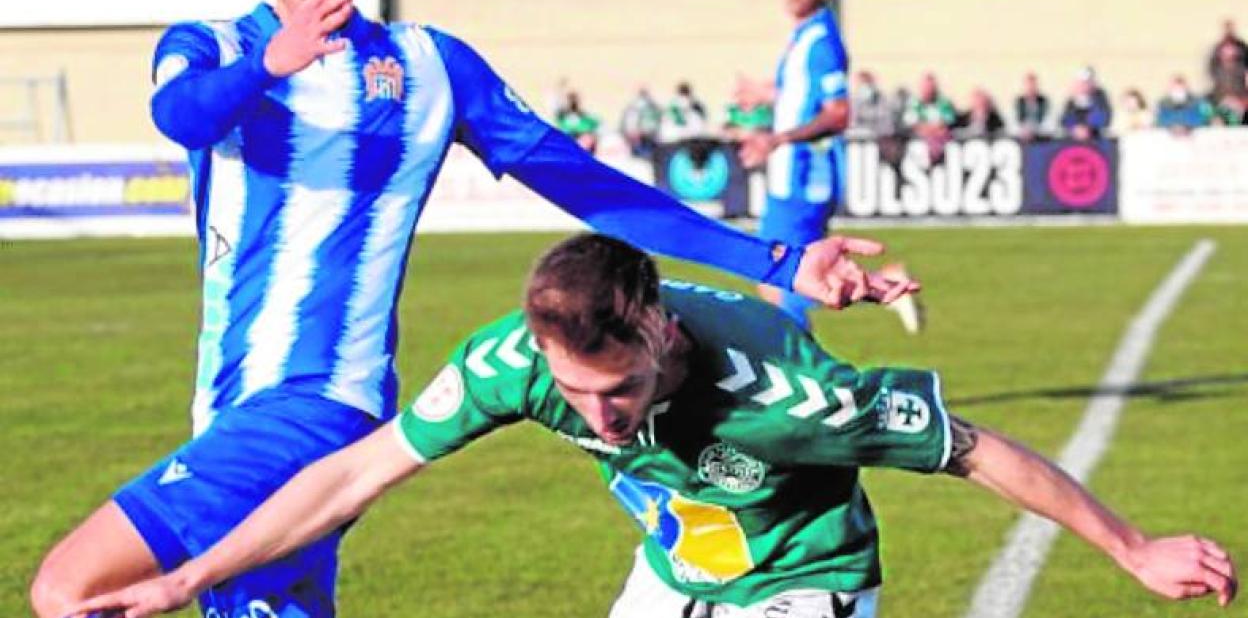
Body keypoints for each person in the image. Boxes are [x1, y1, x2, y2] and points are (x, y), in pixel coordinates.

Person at [27, 0, 917, 618]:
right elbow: (180, 116)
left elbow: (586, 186)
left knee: (67, 589)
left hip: (319, 405)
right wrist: (270, 62)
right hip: (230, 403)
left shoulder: (429, 66)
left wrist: (779, 260)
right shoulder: (213, 47)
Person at [71, 234, 1239, 618]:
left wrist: (1133, 547)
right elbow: (348, 479)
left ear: (663, 335)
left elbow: (977, 447)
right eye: (575, 394)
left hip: (800, 581)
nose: (599, 417)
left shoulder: (789, 395)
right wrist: (188, 577)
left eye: (618, 392)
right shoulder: (515, 362)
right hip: (674, 567)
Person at [734, 0, 923, 334]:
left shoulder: (823, 43)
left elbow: (838, 113)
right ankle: (885, 284)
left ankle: (805, 365)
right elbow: (802, 95)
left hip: (805, 177)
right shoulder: (803, 37)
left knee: (785, 280)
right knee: (773, 276)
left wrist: (778, 139)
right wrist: (765, 93)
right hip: (790, 177)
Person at [1059, 66, 1113, 141]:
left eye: (1086, 83)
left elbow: (1104, 118)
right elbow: (1064, 120)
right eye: (1079, 83)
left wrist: (1088, 128)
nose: (1082, 86)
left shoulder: (1100, 98)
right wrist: (1074, 128)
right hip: (1072, 139)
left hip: (1095, 139)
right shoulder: (1071, 101)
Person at [1013, 72, 1050, 141]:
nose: (1030, 88)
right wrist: (1023, 130)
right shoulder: (1018, 102)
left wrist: (1034, 130)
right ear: (1024, 87)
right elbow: (1013, 122)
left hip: (1039, 136)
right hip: (1022, 136)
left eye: (1033, 85)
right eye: (1028, 85)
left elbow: (1048, 122)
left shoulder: (1044, 102)